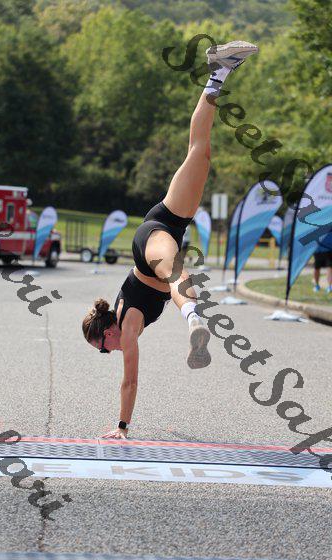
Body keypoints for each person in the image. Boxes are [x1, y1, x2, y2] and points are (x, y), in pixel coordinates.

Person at [82, 41, 259, 439]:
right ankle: (219, 71)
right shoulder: (125, 326)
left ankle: (194, 320)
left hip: (150, 245)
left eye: (103, 348)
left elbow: (130, 381)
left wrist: (122, 427)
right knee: (200, 151)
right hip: (169, 222)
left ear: (106, 334)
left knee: (173, 270)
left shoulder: (127, 326)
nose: (109, 352)